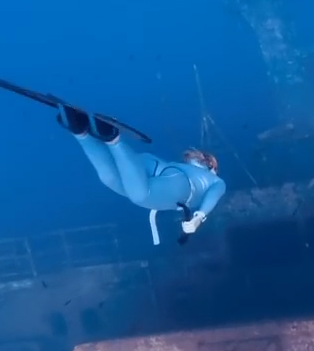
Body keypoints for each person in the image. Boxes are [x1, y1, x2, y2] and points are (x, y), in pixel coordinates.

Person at [56, 104, 227, 245]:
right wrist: (199, 217)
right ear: (212, 166)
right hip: (183, 187)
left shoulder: (188, 166)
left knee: (112, 179)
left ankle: (80, 131)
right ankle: (111, 139)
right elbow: (214, 195)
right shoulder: (215, 180)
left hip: (157, 167)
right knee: (140, 195)